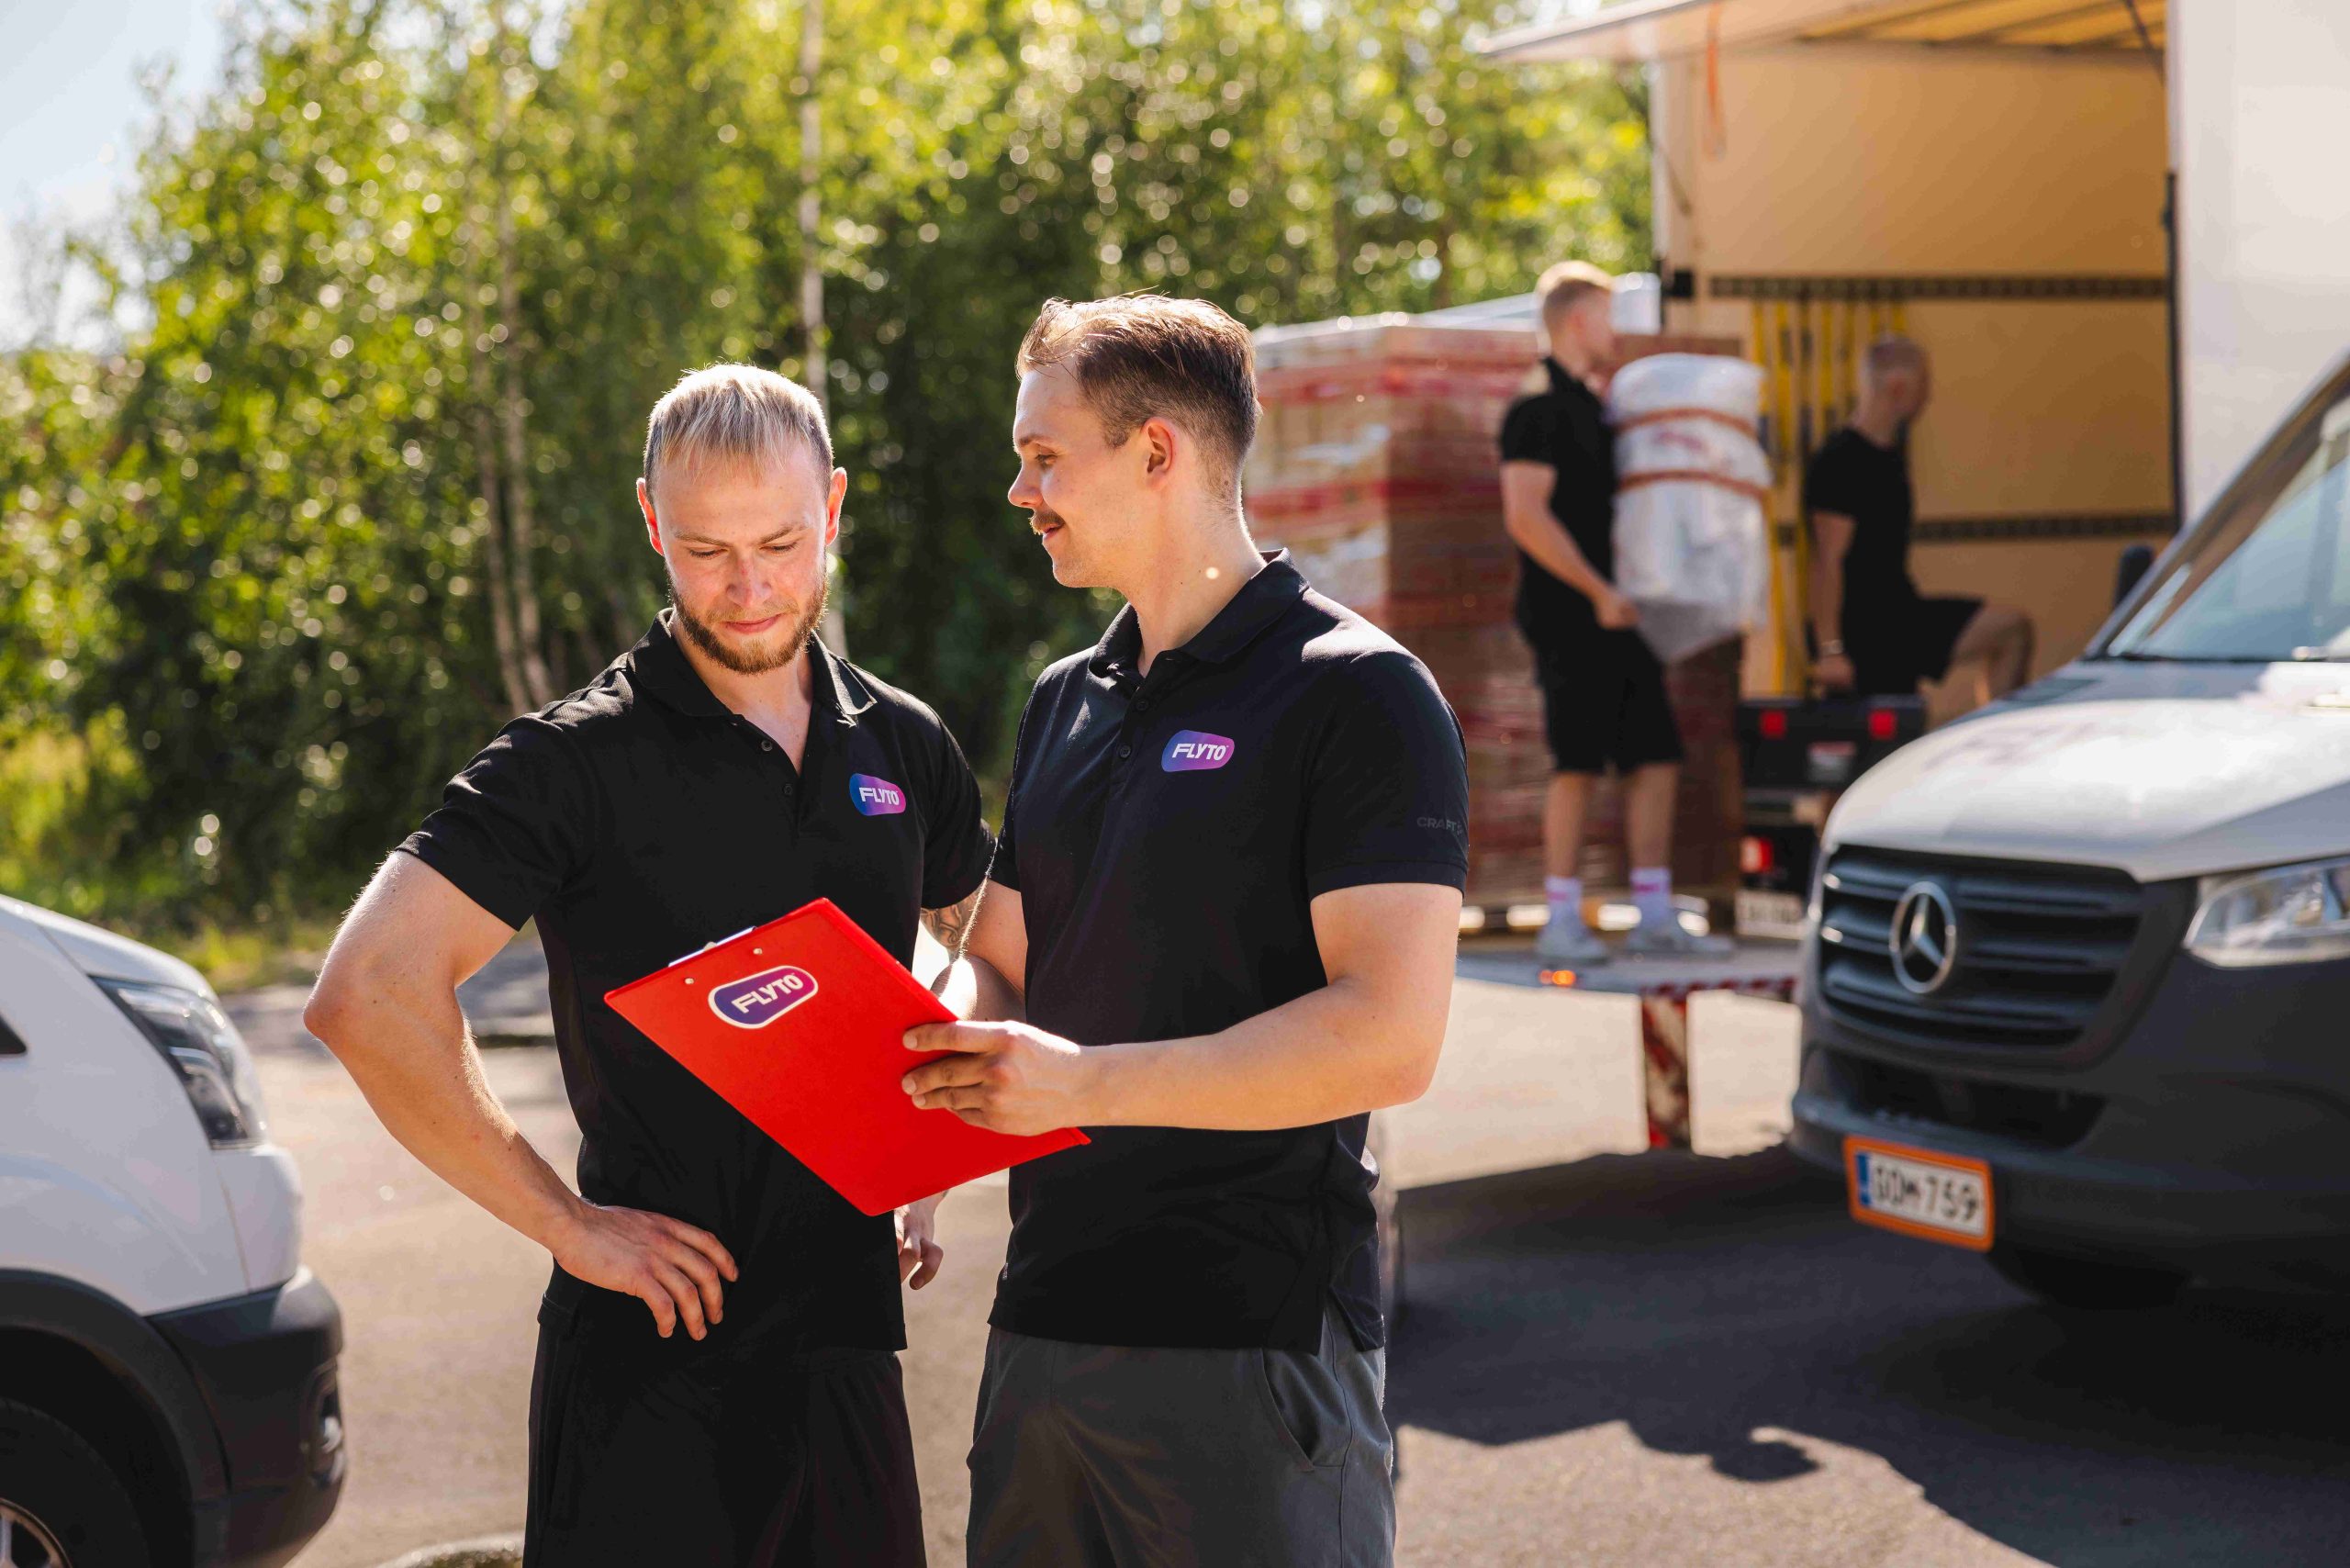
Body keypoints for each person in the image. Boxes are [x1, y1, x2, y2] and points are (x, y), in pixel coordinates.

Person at [302, 364, 993, 1566]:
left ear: (833, 506)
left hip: (847, 1355)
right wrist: (567, 1225)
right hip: (649, 1366)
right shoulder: (571, 762)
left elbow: (986, 949)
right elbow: (366, 993)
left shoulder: (902, 743)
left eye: (780, 543)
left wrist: (922, 1140)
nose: (749, 588)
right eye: (705, 549)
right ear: (650, 522)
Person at [901, 295, 1470, 1568]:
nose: (1020, 491)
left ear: (1156, 451)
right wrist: (922, 1083)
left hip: (1251, 1345)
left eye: (1045, 456)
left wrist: (1082, 1086)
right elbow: (1000, 965)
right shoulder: (1064, 700)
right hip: (1042, 1332)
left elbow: (1390, 1037)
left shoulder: (1360, 694)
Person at [1499, 261, 1729, 966]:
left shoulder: (1596, 406)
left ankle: (1654, 914)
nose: (1616, 330)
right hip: (1570, 616)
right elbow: (1526, 516)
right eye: (1607, 315)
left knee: (1655, 756)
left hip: (1621, 615)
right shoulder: (1537, 406)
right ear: (1577, 321)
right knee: (1577, 764)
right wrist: (1597, 591)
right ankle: (1560, 918)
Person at [1806, 337, 2034, 702]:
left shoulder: (1889, 457)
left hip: (1900, 616)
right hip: (1865, 631)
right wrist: (1831, 651)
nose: (1927, 398)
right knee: (2011, 630)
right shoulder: (1842, 459)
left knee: (2013, 630)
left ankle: (1994, 732)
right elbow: (1826, 563)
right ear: (1899, 388)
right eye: (1924, 385)